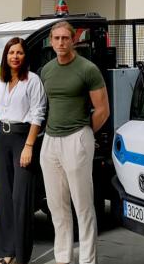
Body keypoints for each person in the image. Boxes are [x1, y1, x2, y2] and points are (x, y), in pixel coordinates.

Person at [38, 21, 109, 264]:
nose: (60, 43)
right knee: (57, 209)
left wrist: (84, 134)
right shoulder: (46, 70)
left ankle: (88, 260)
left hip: (76, 138)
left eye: (65, 38)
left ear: (73, 39)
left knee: (83, 206)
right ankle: (63, 259)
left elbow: (102, 110)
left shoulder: (87, 69)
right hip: (50, 142)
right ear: (51, 40)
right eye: (56, 38)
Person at [0, 37, 46, 264]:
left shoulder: (32, 80)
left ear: (25, 56)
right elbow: (2, 109)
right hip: (2, 138)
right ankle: (7, 252)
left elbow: (38, 114)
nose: (15, 56)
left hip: (23, 139)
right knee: (4, 196)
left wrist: (29, 146)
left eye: (19, 53)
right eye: (11, 53)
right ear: (5, 56)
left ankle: (22, 255)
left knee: (20, 197)